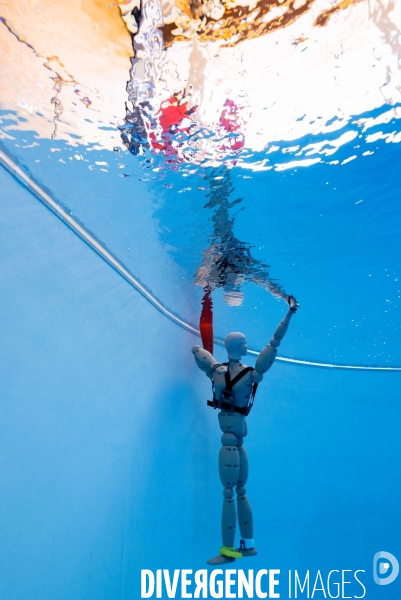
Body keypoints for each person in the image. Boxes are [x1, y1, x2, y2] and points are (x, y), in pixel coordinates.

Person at [192, 295, 299, 565]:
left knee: (230, 493)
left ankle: (230, 551)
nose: (248, 345)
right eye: (245, 343)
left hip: (229, 443)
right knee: (240, 491)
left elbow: (200, 356)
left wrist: (197, 350)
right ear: (241, 347)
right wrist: (289, 314)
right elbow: (273, 345)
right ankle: (247, 545)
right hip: (238, 442)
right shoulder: (252, 374)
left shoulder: (216, 371)